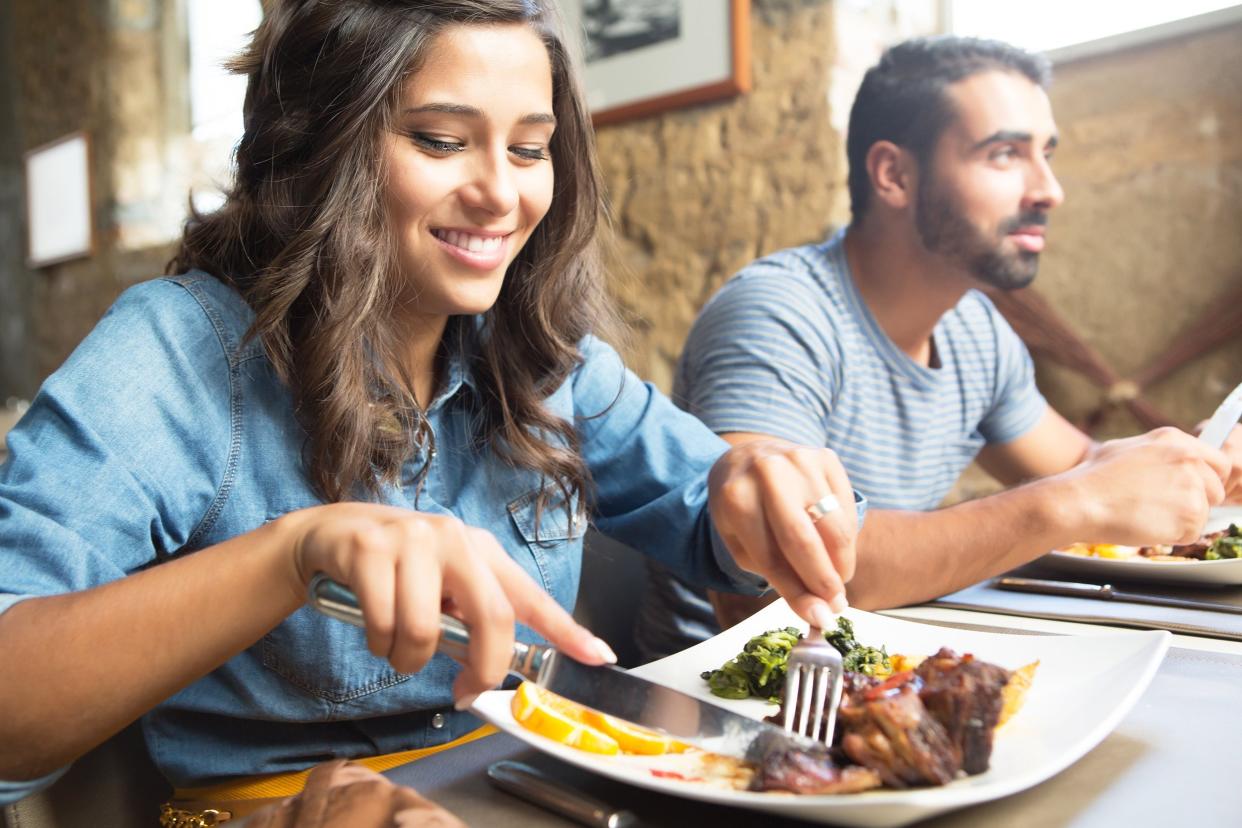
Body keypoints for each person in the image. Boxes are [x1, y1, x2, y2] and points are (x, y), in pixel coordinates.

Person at [0, 0, 864, 817]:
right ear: (321, 145)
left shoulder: (537, 353)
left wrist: (752, 487)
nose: (501, 193)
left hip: (548, 793)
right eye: (442, 140)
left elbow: (714, 519)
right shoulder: (176, 351)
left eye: (530, 150)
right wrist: (294, 554)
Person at [635, 35, 1238, 662]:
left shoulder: (975, 329)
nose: (1049, 190)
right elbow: (780, 570)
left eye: (1046, 155)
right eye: (1005, 155)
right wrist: (1079, 500)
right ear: (894, 174)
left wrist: (1201, 466)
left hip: (887, 669)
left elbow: (1088, 469)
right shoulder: (778, 315)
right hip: (712, 701)